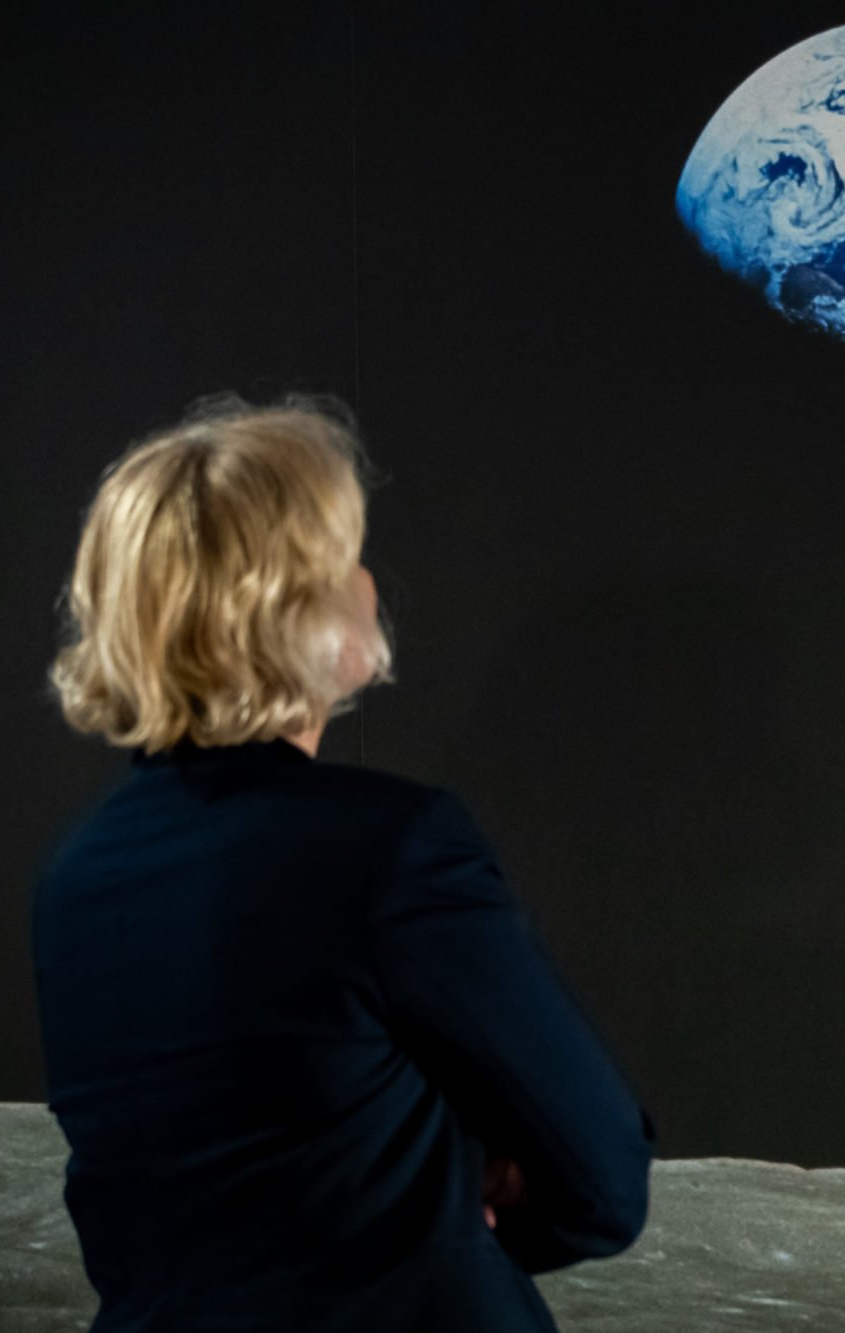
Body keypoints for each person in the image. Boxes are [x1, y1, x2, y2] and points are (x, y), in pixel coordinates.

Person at [32, 391, 655, 1331]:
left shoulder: (73, 880)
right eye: (348, 556)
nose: (369, 580)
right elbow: (604, 1178)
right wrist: (453, 1201)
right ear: (295, 606)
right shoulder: (393, 851)